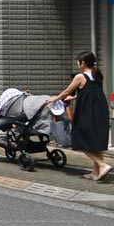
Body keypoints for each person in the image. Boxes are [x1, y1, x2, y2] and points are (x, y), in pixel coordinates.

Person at [47, 51, 111, 181]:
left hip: (87, 112)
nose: (77, 64)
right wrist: (76, 96)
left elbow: (66, 91)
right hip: (100, 110)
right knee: (96, 141)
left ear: (82, 63)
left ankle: (102, 165)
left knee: (79, 139)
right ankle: (96, 172)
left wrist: (54, 98)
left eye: (78, 61)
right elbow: (91, 92)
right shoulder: (97, 75)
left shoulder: (80, 77)